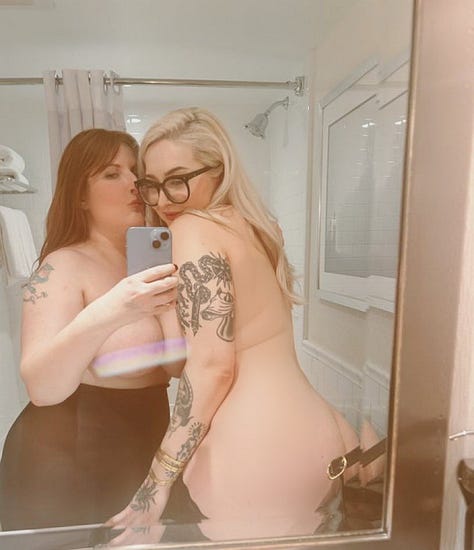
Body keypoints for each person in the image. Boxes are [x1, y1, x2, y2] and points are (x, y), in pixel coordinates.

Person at [107, 108, 361, 544]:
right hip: (315, 428)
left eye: (178, 180)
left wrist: (157, 482)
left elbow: (212, 367)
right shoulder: (258, 227)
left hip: (256, 451)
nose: (164, 200)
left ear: (218, 171)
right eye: (152, 185)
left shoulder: (192, 229)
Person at [0, 128, 182, 531]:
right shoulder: (63, 265)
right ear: (80, 196)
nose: (134, 184)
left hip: (148, 434)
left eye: (136, 171)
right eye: (111, 174)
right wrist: (114, 310)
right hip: (68, 449)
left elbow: (176, 367)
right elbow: (42, 388)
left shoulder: (155, 260)